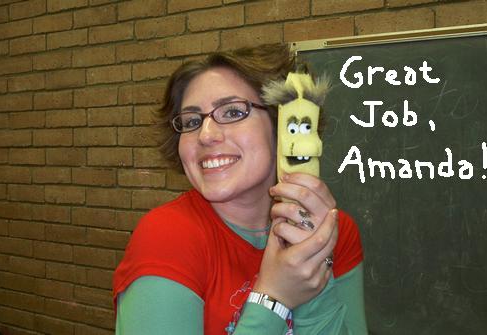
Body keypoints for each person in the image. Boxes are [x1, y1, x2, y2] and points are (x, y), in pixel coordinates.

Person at [113, 44, 367, 334]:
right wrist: (274, 298)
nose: (206, 135)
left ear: (281, 126)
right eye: (192, 121)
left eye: (232, 112)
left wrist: (311, 270)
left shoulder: (335, 231)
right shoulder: (166, 237)